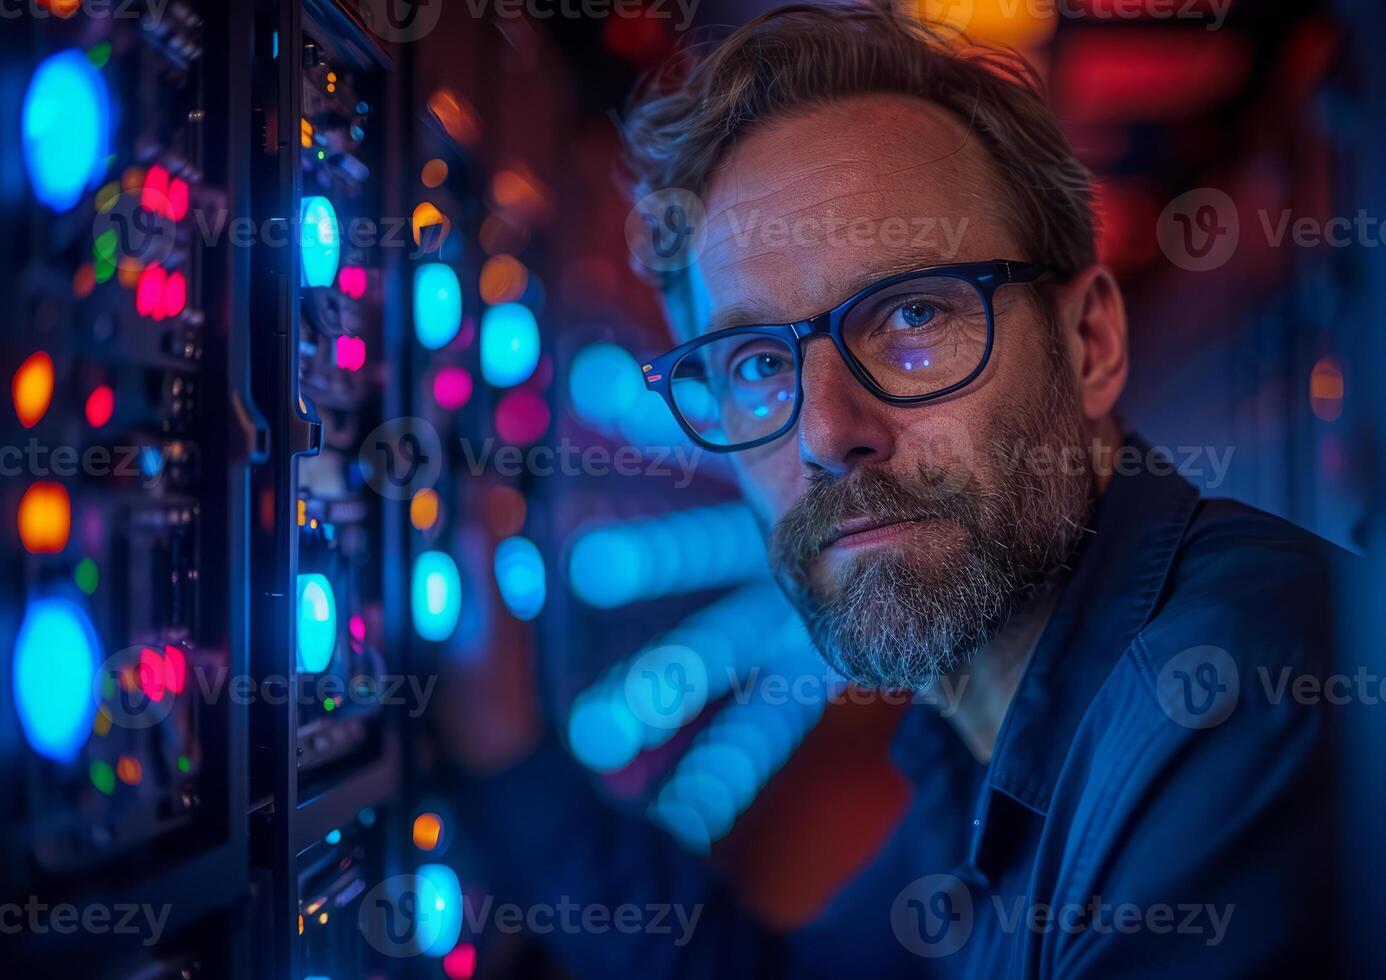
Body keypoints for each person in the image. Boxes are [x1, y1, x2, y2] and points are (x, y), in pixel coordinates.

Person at [451, 4, 1346, 975]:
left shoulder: (1241, 695)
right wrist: (510, 746)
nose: (831, 432)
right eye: (756, 362)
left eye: (912, 315)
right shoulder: (977, 728)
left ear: (1089, 343)